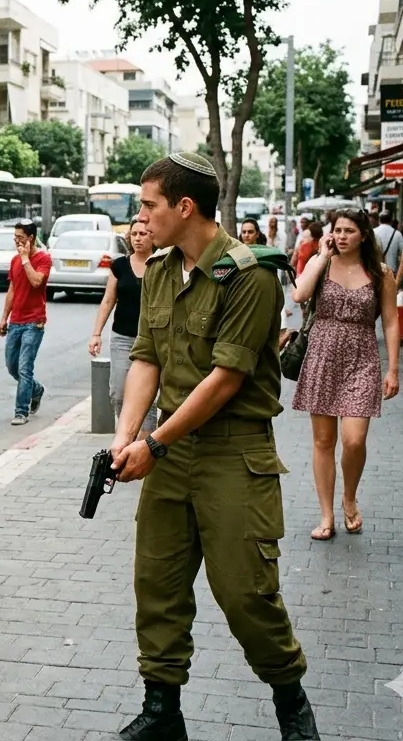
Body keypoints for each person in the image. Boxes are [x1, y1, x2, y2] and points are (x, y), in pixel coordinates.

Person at [109, 152, 318, 741]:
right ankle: (161, 712)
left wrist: (153, 440)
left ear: (185, 206)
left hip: (232, 453)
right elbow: (146, 356)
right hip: (169, 453)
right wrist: (127, 437)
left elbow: (225, 380)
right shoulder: (157, 270)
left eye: (149, 204)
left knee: (246, 594)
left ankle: (291, 705)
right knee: (158, 586)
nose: (141, 216)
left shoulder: (250, 275)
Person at [290, 209, 400, 541]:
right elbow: (299, 295)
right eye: (336, 230)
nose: (341, 236)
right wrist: (321, 256)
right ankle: (326, 516)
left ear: (364, 235)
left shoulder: (380, 273)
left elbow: (392, 321)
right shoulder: (321, 265)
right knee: (324, 441)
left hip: (362, 357)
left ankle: (349, 496)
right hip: (322, 354)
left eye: (349, 231)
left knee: (354, 440)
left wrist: (394, 368)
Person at [89, 222, 158, 433]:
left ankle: (144, 442)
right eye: (134, 234)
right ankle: (127, 433)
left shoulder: (161, 264)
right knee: (118, 393)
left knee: (148, 396)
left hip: (152, 339)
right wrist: (96, 334)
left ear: (152, 236)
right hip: (123, 338)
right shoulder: (119, 265)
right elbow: (108, 300)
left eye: (143, 234)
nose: (138, 238)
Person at [0, 218, 50, 426]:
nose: (17, 242)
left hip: (34, 322)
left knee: (24, 368)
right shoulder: (14, 261)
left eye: (20, 238)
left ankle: (21, 411)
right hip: (16, 321)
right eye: (15, 238)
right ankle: (36, 390)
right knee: (12, 366)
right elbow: (12, 290)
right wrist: (4, 317)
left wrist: (26, 259)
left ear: (31, 238)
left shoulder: (43, 259)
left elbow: (36, 281)